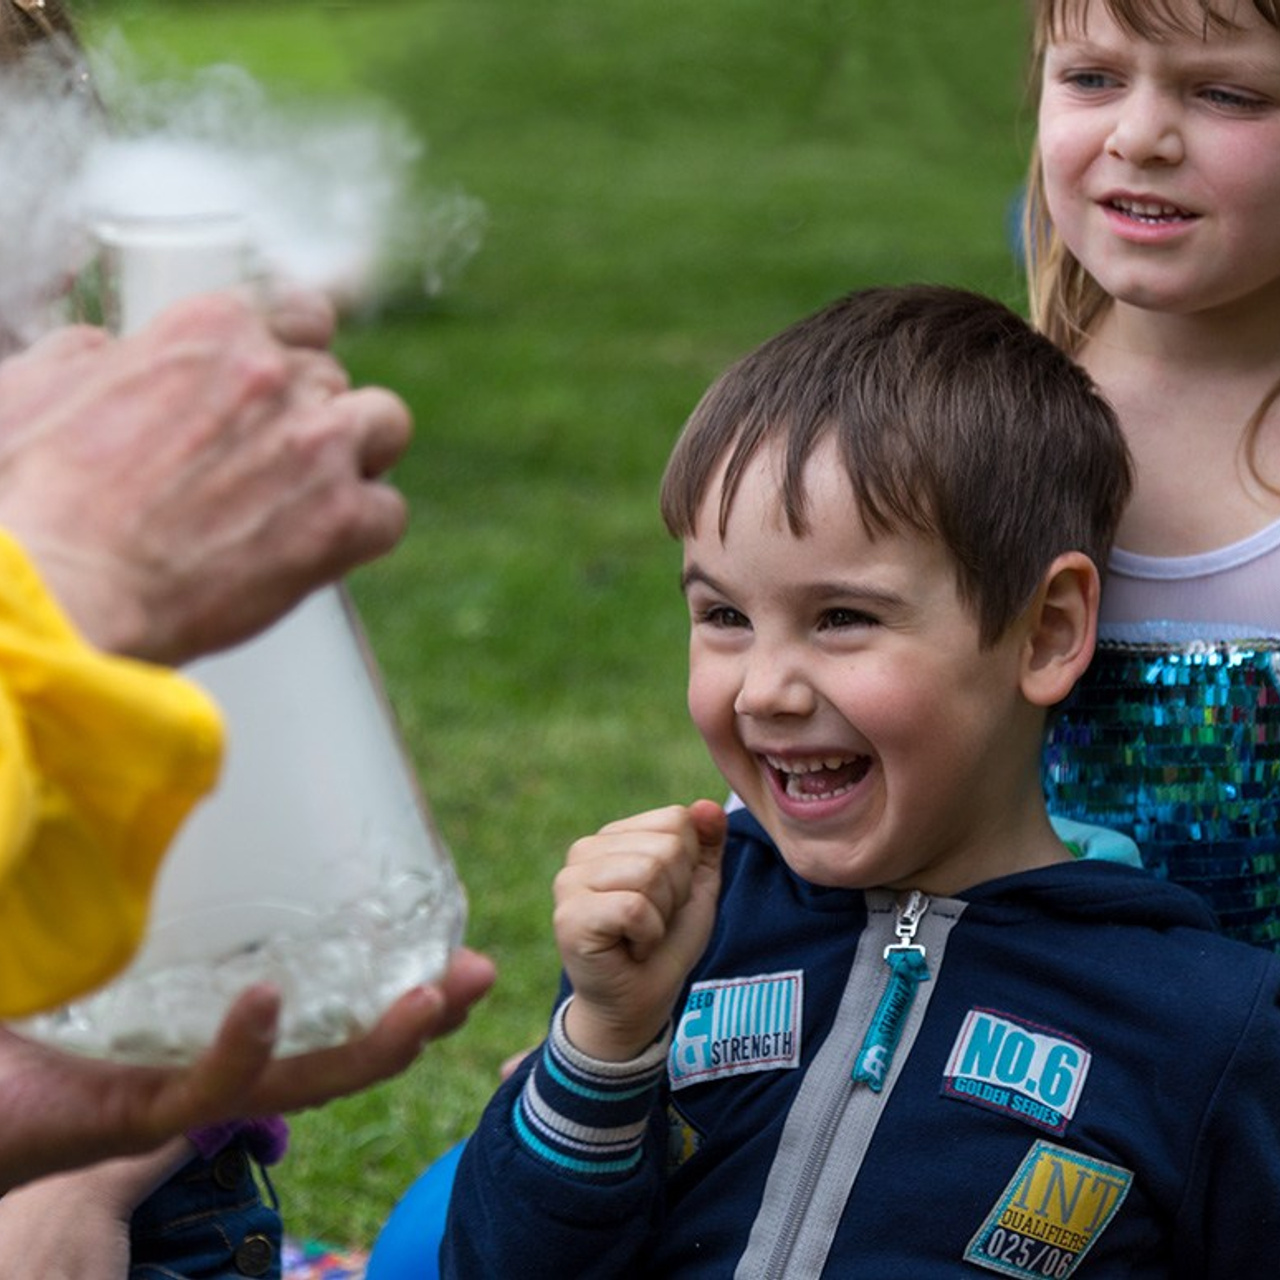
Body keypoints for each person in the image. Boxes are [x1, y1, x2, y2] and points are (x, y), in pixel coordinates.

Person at [440, 285, 1280, 1277]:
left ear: (1045, 629)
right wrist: (600, 1041)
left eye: (841, 616)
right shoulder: (682, 928)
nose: (764, 688)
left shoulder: (1197, 1022)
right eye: (721, 615)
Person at [1025, 0, 1280, 951]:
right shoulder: (962, 424)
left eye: (1226, 93)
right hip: (1020, 1068)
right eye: (1090, 77)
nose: (1139, 137)